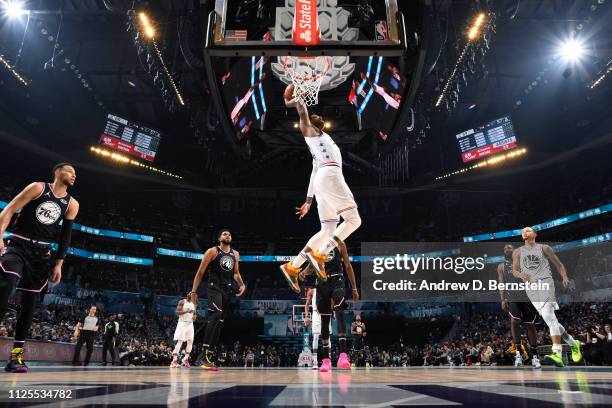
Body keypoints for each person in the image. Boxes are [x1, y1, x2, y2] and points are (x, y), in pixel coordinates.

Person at [279, 84, 361, 292]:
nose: (315, 115)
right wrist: (292, 99)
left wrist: (308, 201)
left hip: (322, 181)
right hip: (331, 176)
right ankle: (321, 254)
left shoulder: (321, 144)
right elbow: (301, 109)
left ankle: (292, 266)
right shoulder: (310, 132)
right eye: (312, 116)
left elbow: (313, 174)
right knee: (354, 220)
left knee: (327, 230)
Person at [0, 163, 79, 372]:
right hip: (17, 244)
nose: (73, 175)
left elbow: (65, 237)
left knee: (29, 305)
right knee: (6, 287)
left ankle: (15, 358)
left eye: (75, 174)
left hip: (41, 255)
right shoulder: (38, 188)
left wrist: (59, 264)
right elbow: (9, 210)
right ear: (57, 172)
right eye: (70, 171)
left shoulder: (72, 204)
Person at [512, 227, 582, 367]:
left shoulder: (544, 248)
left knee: (549, 316)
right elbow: (514, 270)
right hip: (531, 288)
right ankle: (573, 343)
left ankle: (557, 352)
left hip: (546, 283)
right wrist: (521, 275)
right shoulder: (517, 252)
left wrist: (564, 276)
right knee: (549, 318)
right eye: (523, 231)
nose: (525, 232)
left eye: (529, 230)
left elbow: (559, 264)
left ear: (535, 234)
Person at [190, 229, 245, 371]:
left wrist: (242, 284)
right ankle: (202, 356)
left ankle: (210, 356)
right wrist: (194, 291)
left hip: (227, 290)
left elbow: (236, 273)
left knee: (220, 322)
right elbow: (200, 271)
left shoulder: (235, 254)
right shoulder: (212, 252)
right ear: (219, 238)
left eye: (230, 234)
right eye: (225, 234)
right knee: (215, 316)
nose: (228, 235)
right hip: (214, 287)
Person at [302, 239, 358, 372]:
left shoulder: (340, 244)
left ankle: (343, 355)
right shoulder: (317, 244)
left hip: (337, 280)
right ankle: (326, 360)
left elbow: (348, 266)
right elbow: (311, 266)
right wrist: (304, 272)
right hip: (322, 283)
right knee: (325, 320)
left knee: (339, 312)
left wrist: (354, 289)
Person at [497, 244, 540, 368]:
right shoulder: (501, 266)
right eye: (505, 248)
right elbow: (501, 283)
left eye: (509, 248)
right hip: (513, 296)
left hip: (527, 295)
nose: (507, 249)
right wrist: (502, 300)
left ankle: (535, 356)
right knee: (514, 321)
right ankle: (518, 354)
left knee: (529, 324)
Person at [170, 295, 196, 368]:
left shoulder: (193, 304)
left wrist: (194, 317)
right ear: (189, 296)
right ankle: (174, 361)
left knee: (190, 341)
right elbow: (177, 312)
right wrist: (187, 311)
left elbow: (194, 315)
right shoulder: (182, 302)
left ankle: (185, 359)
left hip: (190, 324)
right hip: (182, 323)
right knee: (180, 341)